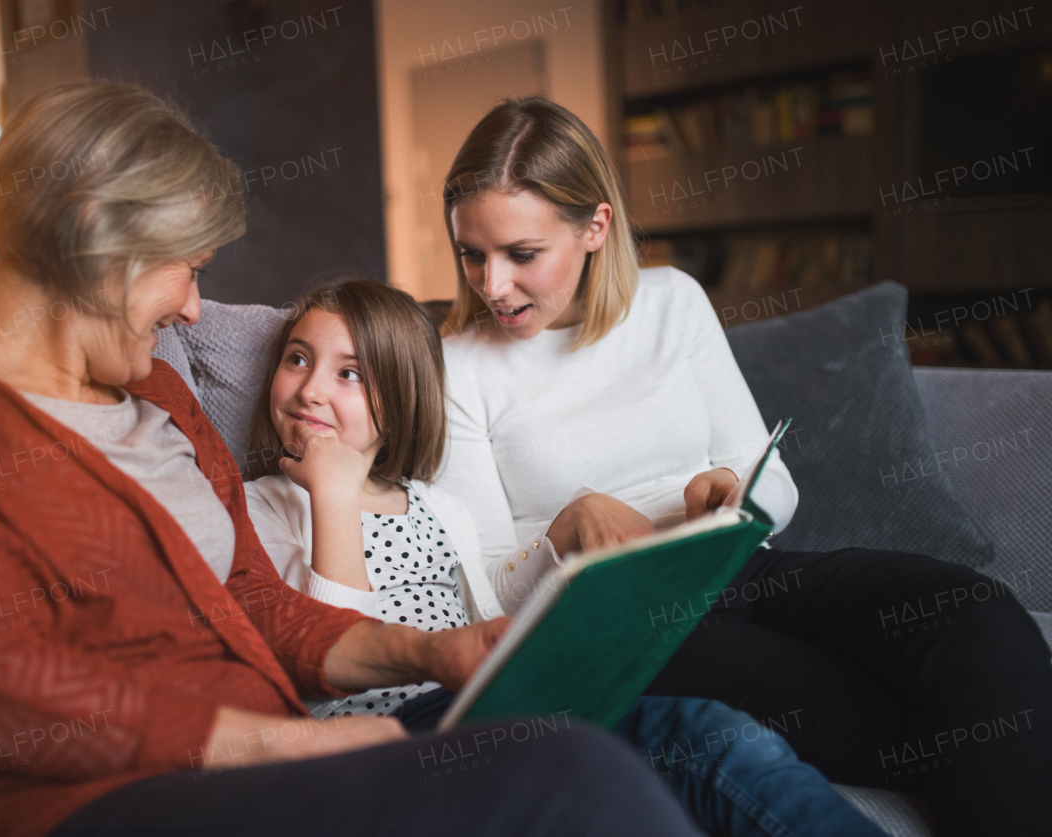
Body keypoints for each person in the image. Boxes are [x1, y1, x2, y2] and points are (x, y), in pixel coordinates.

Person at [0, 81, 706, 837]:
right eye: (186, 269)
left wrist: (433, 650)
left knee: (648, 727)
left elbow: (252, 599)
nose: (196, 310)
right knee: (563, 774)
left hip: (253, 762)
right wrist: (294, 745)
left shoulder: (156, 393)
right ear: (95, 239)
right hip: (70, 806)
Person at [432, 95, 1052, 837]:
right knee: (925, 713)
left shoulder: (673, 301)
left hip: (745, 568)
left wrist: (728, 494)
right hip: (622, 624)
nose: (491, 283)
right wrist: (564, 530)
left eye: (521, 254)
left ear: (596, 226)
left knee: (975, 613)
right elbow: (477, 590)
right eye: (472, 252)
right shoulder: (455, 363)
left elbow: (771, 481)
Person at [243, 278, 885, 837]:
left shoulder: (437, 505)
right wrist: (331, 492)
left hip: (487, 706)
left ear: (402, 395)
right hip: (390, 735)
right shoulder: (260, 507)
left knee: (724, 734)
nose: (310, 391)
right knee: (701, 747)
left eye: (349, 373)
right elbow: (322, 666)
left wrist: (560, 541)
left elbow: (491, 610)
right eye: (297, 359)